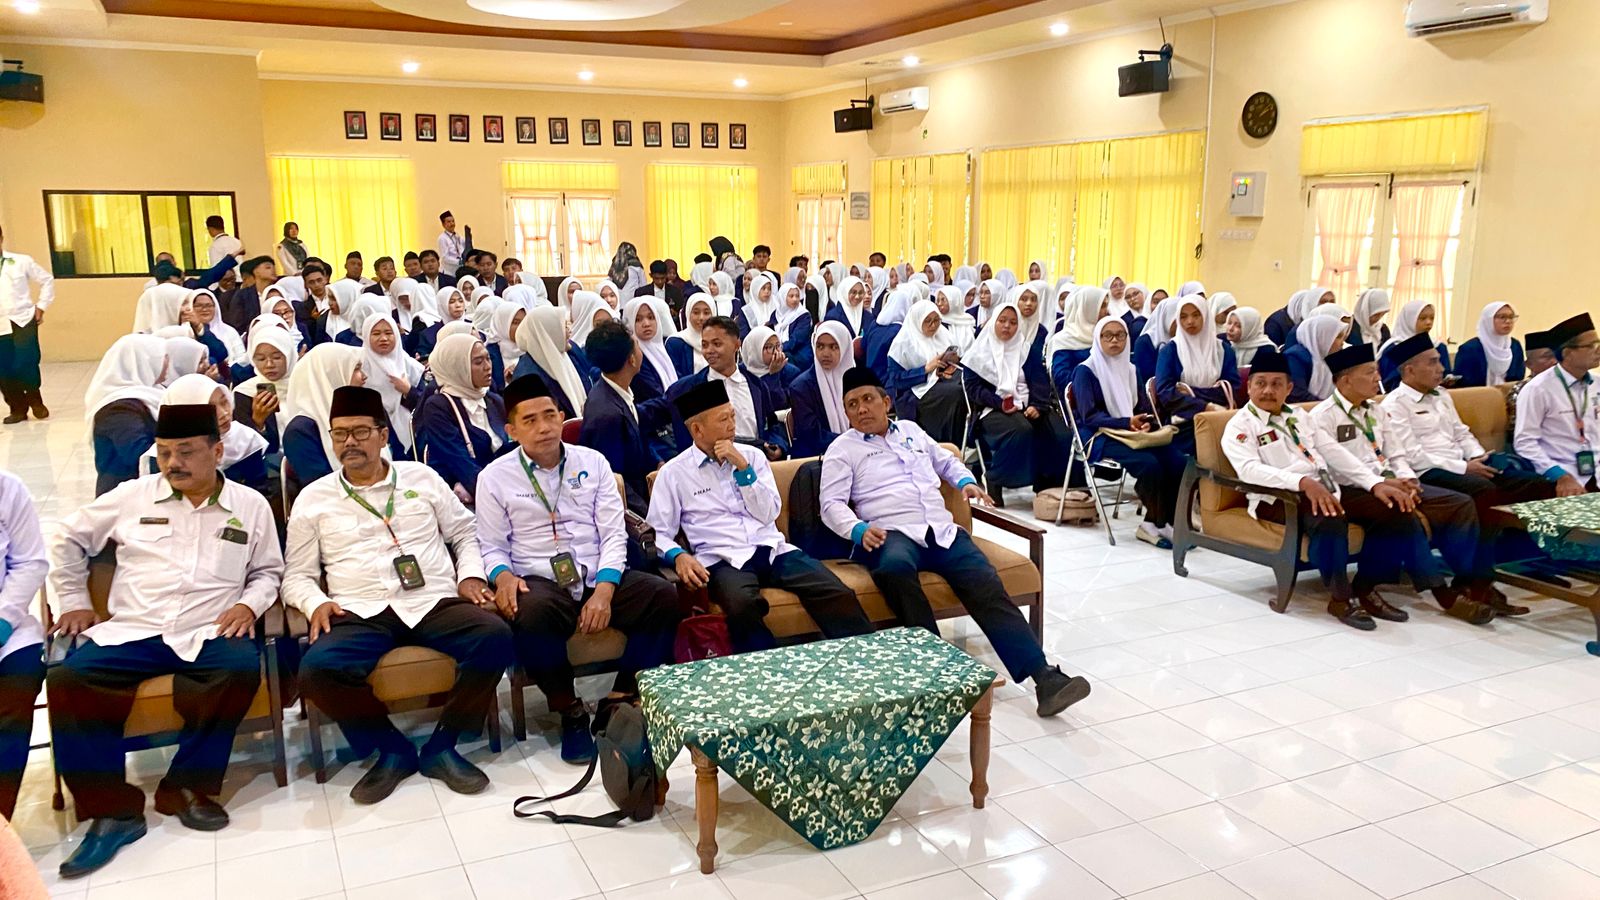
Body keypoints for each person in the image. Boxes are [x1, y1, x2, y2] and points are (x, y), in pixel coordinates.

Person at [48, 403, 282, 878]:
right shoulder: (131, 497)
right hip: (135, 627)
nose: (172, 463)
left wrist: (248, 606)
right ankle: (112, 812)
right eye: (163, 452)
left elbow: (268, 572)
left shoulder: (250, 506)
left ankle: (187, 787)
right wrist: (72, 598)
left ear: (217, 452)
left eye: (186, 452)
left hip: (206, 628)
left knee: (237, 667)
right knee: (68, 677)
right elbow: (65, 538)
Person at [283, 386, 511, 803]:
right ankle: (393, 749)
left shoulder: (421, 478)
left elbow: (464, 532)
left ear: (383, 435)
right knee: (316, 670)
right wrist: (316, 603)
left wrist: (471, 577)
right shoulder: (314, 498)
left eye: (359, 432)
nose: (348, 442)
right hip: (360, 608)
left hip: (433, 599)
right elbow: (295, 575)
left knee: (495, 636)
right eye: (339, 434)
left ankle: (443, 745)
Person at [820, 367, 1090, 715]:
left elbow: (946, 460)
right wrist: (858, 530)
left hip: (940, 530)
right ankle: (936, 672)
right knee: (893, 568)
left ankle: (1045, 678)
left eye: (867, 399)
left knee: (984, 579)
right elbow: (830, 504)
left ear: (886, 401)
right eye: (852, 404)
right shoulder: (843, 449)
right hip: (890, 532)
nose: (860, 410)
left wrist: (965, 482)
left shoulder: (912, 432)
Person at [477, 374, 681, 762]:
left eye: (550, 416)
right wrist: (502, 577)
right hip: (538, 579)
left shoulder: (593, 463)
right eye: (530, 420)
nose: (543, 428)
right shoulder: (494, 478)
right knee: (529, 612)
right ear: (511, 429)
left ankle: (619, 695)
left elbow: (613, 534)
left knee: (662, 596)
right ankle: (568, 710)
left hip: (594, 573)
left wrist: (605, 590)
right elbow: (490, 544)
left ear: (562, 416)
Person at [647, 380, 873, 652]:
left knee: (836, 592)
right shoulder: (674, 473)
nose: (733, 424)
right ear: (697, 429)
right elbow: (657, 532)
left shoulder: (751, 457)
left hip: (771, 549)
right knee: (743, 607)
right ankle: (773, 675)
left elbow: (769, 512)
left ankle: (865, 658)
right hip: (722, 559)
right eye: (723, 419)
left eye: (732, 415)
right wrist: (678, 556)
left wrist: (743, 469)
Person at [1223, 350, 1432, 629]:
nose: (1268, 391)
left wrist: (1375, 483)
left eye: (1276, 384)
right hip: (1276, 496)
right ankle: (1340, 599)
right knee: (1330, 518)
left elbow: (1332, 451)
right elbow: (1249, 470)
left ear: (1289, 388)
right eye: (1260, 383)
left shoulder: (1299, 415)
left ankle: (1367, 586)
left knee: (1393, 509)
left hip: (1321, 487)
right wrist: (1302, 483)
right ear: (1248, 387)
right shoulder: (1240, 426)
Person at [1309, 343, 1497, 623]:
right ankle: (1439, 594)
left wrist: (1406, 479)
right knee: (1400, 511)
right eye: (1370, 372)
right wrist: (1384, 484)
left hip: (1387, 482)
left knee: (1460, 504)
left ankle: (1469, 581)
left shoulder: (1376, 410)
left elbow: (1396, 453)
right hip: (1348, 488)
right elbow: (1341, 464)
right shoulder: (1323, 417)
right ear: (1346, 380)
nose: (1378, 378)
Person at [1383, 332, 1552, 608]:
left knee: (1533, 482)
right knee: (1484, 492)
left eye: (1440, 361)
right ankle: (1478, 581)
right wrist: (1465, 467)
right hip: (1430, 471)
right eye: (1433, 363)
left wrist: (1478, 457)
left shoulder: (1441, 396)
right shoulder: (1395, 404)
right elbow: (1413, 456)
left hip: (1464, 464)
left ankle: (1533, 561)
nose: (1441, 369)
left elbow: (1462, 434)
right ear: (1410, 369)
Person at [1071, 318, 1187, 548]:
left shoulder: (1131, 369)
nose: (1114, 340)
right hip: (1099, 435)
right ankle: (1154, 523)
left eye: (1120, 335)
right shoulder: (1086, 370)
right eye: (1108, 335)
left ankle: (1164, 521)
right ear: (1098, 338)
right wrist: (1126, 422)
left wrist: (1144, 422)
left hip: (1131, 432)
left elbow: (1143, 407)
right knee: (1149, 464)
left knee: (1177, 462)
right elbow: (1088, 416)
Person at [963, 299, 1067, 498]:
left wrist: (1038, 405)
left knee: (1060, 433)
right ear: (994, 322)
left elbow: (1040, 382)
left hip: (1027, 405)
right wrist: (1000, 403)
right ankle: (996, 478)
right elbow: (974, 390)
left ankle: (1047, 484)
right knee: (1021, 430)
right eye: (1002, 321)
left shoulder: (1026, 350)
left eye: (1012, 322)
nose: (1007, 326)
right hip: (991, 409)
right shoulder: (978, 352)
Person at [667, 316, 788, 459]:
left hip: (751, 464)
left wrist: (777, 445)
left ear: (737, 345)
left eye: (717, 344)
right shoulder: (687, 389)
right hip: (707, 471)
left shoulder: (755, 385)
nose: (709, 351)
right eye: (705, 345)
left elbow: (772, 423)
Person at [0, 467, 46, 822]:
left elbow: (30, 562)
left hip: (8, 632)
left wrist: (3, 622)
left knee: (14, 692)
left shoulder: (7, 488)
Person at [1513, 312, 1600, 496]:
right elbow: (1525, 442)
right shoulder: (1538, 389)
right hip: (1563, 472)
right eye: (1591, 345)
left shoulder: (1597, 384)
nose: (1598, 350)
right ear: (1568, 353)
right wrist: (1559, 475)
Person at [282, 344, 390, 488]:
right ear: (332, 374)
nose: (364, 376)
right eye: (356, 369)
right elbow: (320, 488)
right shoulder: (299, 431)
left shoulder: (371, 410)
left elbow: (402, 461)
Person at [578, 321, 656, 513]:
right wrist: (652, 520)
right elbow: (614, 482)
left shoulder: (616, 391)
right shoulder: (606, 415)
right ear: (631, 359)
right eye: (637, 345)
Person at [148, 374, 270, 494]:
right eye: (210, 408)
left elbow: (259, 490)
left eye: (224, 402)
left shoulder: (244, 440)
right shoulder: (164, 456)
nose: (224, 413)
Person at [86, 335, 169, 496]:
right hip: (124, 498)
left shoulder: (153, 392)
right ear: (142, 362)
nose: (167, 363)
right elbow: (138, 455)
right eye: (164, 357)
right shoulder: (118, 410)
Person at [887, 299, 966, 442]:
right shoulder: (903, 343)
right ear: (917, 321)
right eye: (927, 321)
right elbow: (895, 379)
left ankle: (966, 436)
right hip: (914, 392)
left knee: (967, 384)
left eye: (937, 320)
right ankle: (949, 441)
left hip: (942, 378)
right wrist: (926, 369)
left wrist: (953, 360)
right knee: (956, 393)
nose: (933, 325)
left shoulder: (942, 333)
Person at [0, 226, 56, 423]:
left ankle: (36, 401)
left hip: (22, 319)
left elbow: (47, 280)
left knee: (26, 362)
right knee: (3, 369)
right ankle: (17, 408)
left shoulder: (21, 261)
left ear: (1, 238)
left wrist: (41, 306)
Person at [1156, 296, 1240, 419]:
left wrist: (1191, 391)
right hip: (1183, 419)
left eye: (1196, 315)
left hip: (1220, 414)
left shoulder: (1223, 350)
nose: (1190, 321)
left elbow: (1232, 389)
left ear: (1205, 316)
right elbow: (1166, 394)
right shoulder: (1169, 351)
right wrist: (1205, 407)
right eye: (1183, 317)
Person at [360, 312, 425, 454]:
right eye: (376, 333)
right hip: (374, 436)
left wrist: (408, 391)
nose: (383, 339)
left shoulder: (410, 366)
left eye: (389, 333)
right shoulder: (359, 367)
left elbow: (426, 404)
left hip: (414, 434)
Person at [232, 324, 298, 460]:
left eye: (277, 357)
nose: (269, 365)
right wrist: (258, 421)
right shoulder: (245, 392)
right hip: (270, 467)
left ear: (289, 354)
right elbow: (245, 449)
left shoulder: (304, 384)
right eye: (261, 359)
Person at [513, 307, 592, 419]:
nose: (570, 331)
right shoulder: (527, 377)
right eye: (564, 327)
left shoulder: (569, 353)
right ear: (549, 331)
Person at [1378, 301, 1451, 391]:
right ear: (1409, 320)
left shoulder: (1438, 346)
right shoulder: (1394, 347)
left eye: (1432, 318)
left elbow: (1445, 373)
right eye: (1423, 318)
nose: (1429, 322)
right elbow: (1388, 381)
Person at [1504, 328, 1559, 448]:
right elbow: (1525, 437)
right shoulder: (1522, 391)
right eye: (1547, 357)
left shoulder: (1566, 385)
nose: (1555, 361)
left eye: (1557, 356)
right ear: (1529, 365)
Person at [1453, 302, 1526, 387]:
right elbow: (1463, 382)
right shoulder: (1470, 349)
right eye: (1502, 317)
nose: (1508, 321)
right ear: (1488, 320)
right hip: (1477, 397)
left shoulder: (1515, 346)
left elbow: (1518, 378)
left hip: (1509, 396)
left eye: (1511, 317)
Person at [1286, 314, 1349, 403]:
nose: (1342, 343)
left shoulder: (1332, 357)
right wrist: (1329, 407)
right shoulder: (1295, 357)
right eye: (1338, 337)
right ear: (1322, 336)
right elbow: (1297, 395)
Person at [1132, 297, 1179, 388]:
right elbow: (1147, 377)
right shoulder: (1144, 342)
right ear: (1167, 316)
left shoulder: (1181, 340)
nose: (1181, 324)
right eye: (1177, 319)